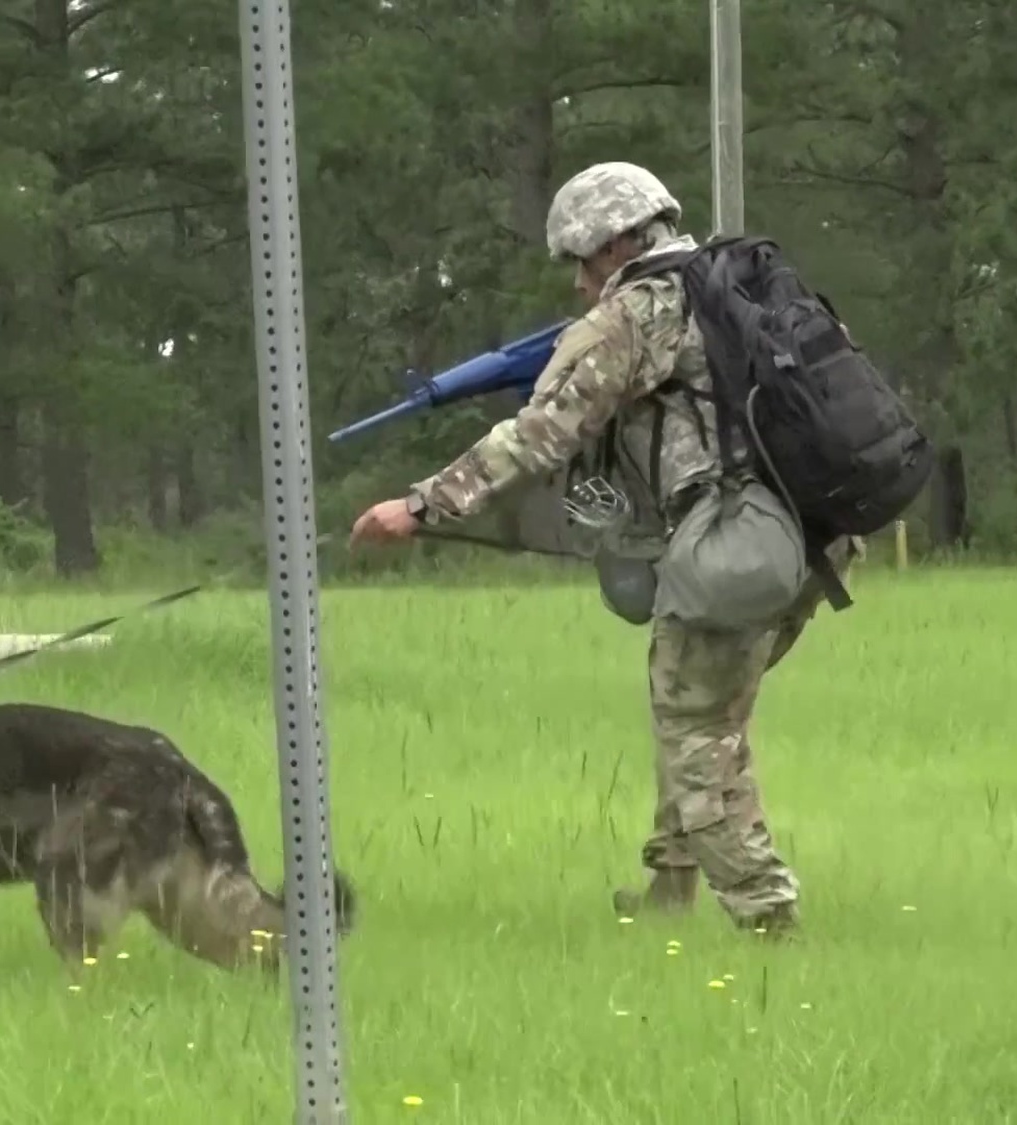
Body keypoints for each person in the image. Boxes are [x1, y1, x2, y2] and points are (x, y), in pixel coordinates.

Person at [347, 161, 861, 937]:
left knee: (695, 724)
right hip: (812, 533)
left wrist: (422, 505)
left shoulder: (637, 313)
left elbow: (543, 433)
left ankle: (769, 920)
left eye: (584, 263)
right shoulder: (735, 285)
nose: (581, 285)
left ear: (619, 243)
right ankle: (671, 887)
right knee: (697, 699)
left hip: (737, 544)